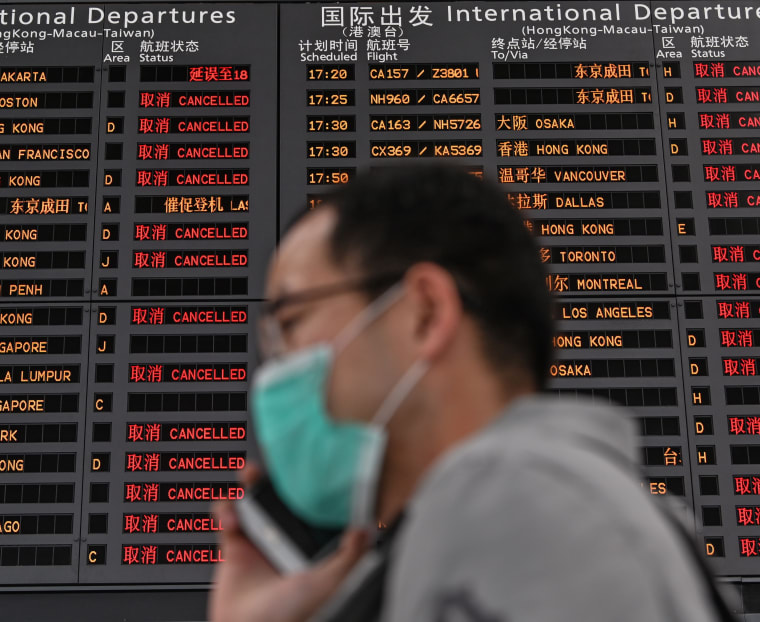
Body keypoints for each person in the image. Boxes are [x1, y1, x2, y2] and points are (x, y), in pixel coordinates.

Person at [210, 164, 726, 622]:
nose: (277, 367)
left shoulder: (507, 495)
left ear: (425, 313)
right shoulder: (538, 507)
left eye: (292, 322)